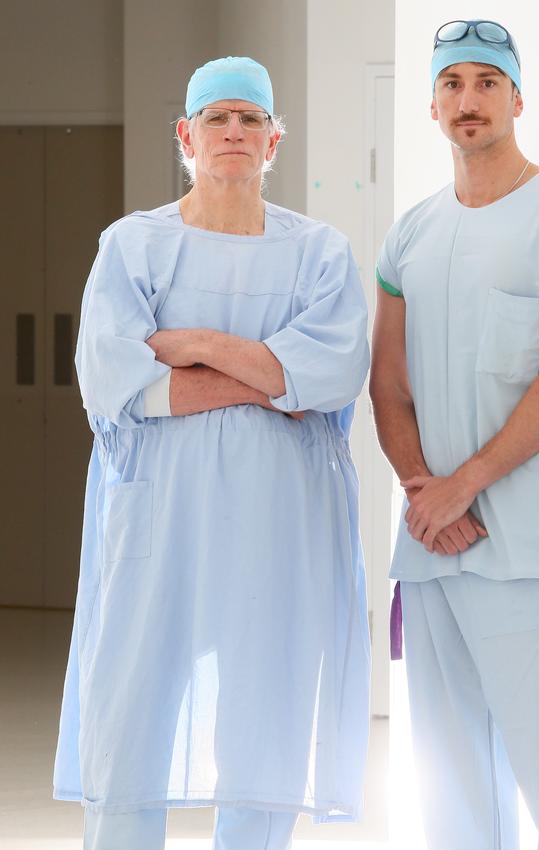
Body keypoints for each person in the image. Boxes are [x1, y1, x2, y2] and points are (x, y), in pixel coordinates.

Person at [52, 56, 371, 850]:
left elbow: (330, 374)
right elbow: (114, 381)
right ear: (185, 136)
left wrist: (187, 343)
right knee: (132, 718)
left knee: (265, 721)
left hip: (279, 527)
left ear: (273, 143)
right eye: (218, 118)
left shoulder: (319, 254)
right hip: (160, 521)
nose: (234, 132)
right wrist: (271, 373)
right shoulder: (132, 247)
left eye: (251, 119)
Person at [371, 20, 539, 850]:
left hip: (531, 559)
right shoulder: (409, 234)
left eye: (485, 82)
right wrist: (423, 491)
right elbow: (389, 384)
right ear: (431, 104)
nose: (467, 99)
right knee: (452, 799)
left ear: (517, 98)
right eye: (451, 83)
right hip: (434, 552)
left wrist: (461, 485)